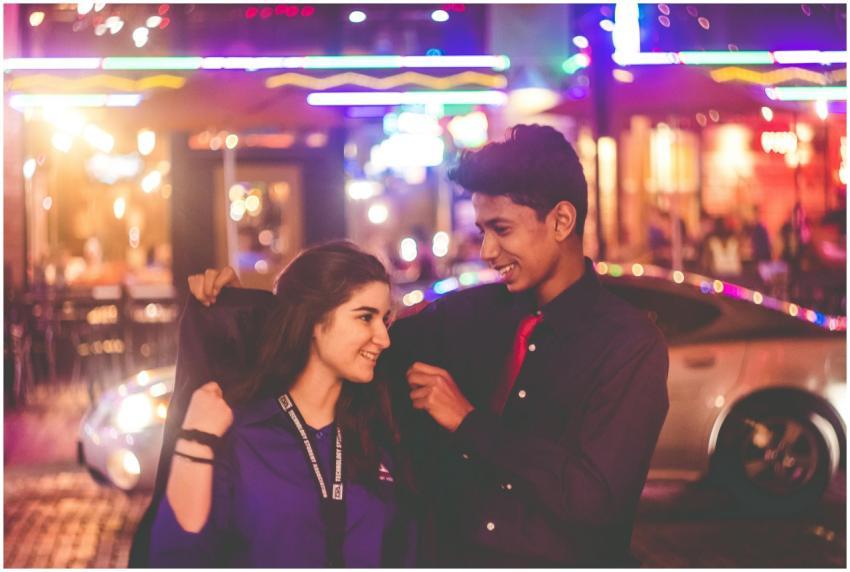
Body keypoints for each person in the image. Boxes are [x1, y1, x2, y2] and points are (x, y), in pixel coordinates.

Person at [194, 124, 669, 566]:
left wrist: (468, 422)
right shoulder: (468, 317)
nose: (487, 251)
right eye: (483, 231)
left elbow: (596, 499)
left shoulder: (628, 344)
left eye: (502, 229)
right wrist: (236, 306)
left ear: (562, 220)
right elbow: (340, 346)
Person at [146, 241, 416, 567]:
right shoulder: (240, 436)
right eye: (365, 317)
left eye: (384, 319)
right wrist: (195, 442)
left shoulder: (378, 435)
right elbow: (174, 558)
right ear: (313, 319)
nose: (384, 339)